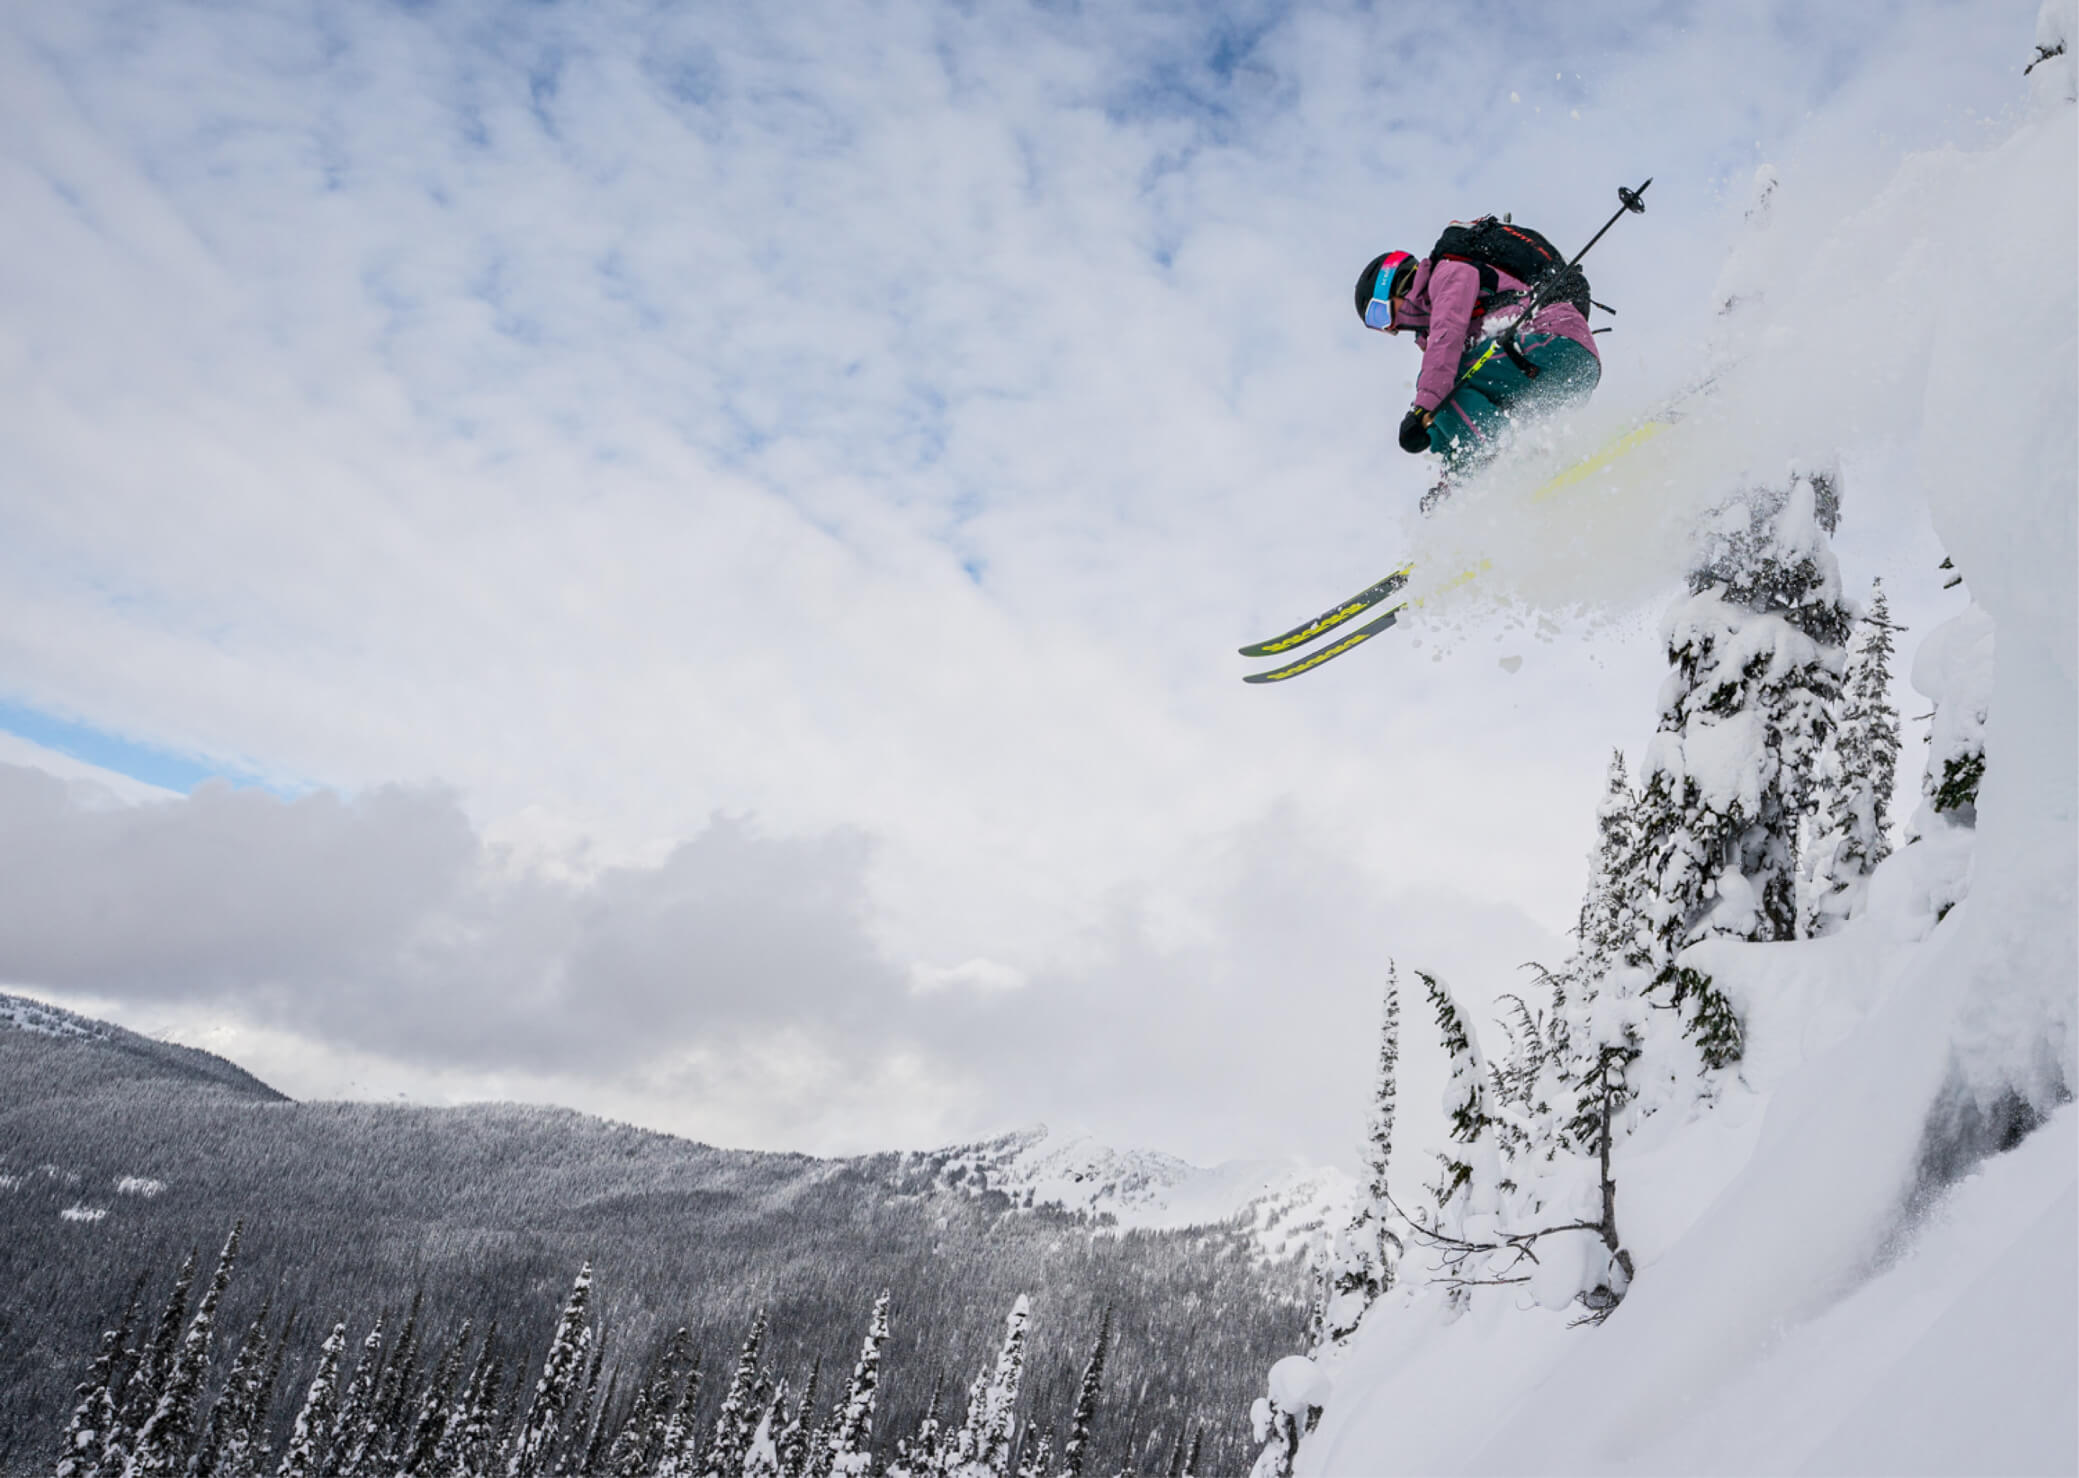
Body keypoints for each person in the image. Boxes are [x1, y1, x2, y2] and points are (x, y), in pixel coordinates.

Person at [1355, 238, 1601, 494]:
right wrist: (1449, 483)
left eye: (1379, 316)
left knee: (1440, 390)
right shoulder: (1433, 337)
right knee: (1438, 416)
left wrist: (1422, 410)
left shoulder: (1448, 274)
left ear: (1394, 285)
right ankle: (1466, 484)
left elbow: (1446, 339)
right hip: (1550, 379)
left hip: (1555, 343)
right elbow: (1445, 407)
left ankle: (1505, 463)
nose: (1391, 328)